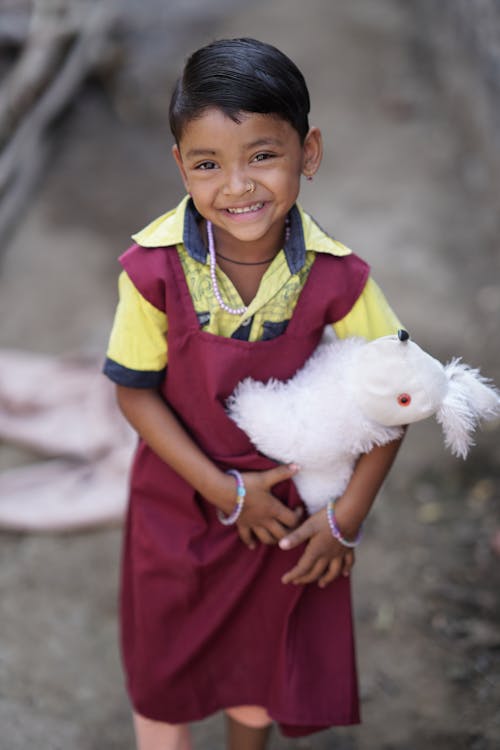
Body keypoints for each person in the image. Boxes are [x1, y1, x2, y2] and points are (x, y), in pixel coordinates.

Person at [103, 37, 404, 750]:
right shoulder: (151, 269)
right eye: (209, 164)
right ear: (181, 166)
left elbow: (399, 396)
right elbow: (135, 395)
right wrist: (226, 490)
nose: (236, 187)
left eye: (263, 155)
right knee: (163, 666)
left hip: (285, 518)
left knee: (259, 666)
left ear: (310, 153)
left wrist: (345, 518)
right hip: (177, 501)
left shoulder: (341, 278)